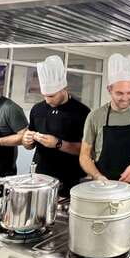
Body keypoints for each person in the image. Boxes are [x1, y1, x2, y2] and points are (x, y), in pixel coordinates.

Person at [22, 55, 90, 196]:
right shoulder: (37, 109)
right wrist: (27, 140)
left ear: (64, 88)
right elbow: (29, 146)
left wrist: (58, 144)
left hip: (69, 177)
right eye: (45, 95)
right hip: (40, 175)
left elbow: (85, 150)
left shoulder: (82, 112)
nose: (47, 100)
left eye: (51, 96)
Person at [79, 54, 130, 183]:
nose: (125, 98)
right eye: (119, 93)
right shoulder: (95, 116)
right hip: (104, 184)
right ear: (109, 90)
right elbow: (84, 156)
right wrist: (97, 176)